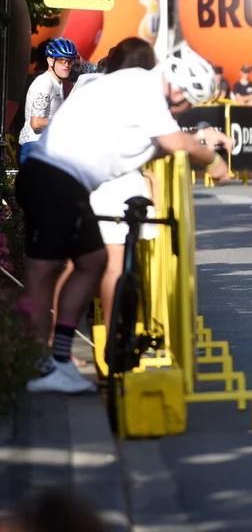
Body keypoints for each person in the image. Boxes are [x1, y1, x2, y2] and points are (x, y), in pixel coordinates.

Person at [14, 43, 233, 394]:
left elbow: (154, 144)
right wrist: (213, 161)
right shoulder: (145, 88)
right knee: (44, 271)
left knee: (93, 261)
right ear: (178, 89)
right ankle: (36, 362)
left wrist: (201, 139)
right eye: (191, 101)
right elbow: (174, 142)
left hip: (67, 182)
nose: (189, 109)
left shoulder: (137, 87)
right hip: (52, 177)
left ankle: (57, 360)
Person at [70, 38, 162, 342]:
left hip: (86, 179)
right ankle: (105, 335)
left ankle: (85, 337)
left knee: (91, 265)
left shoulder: (91, 86)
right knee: (103, 267)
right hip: (94, 181)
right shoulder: (126, 92)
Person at [17, 38, 78, 164]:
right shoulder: (44, 83)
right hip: (35, 146)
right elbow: (37, 122)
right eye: (62, 61)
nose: (67, 65)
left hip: (45, 147)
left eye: (70, 61)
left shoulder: (56, 83)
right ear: (50, 60)